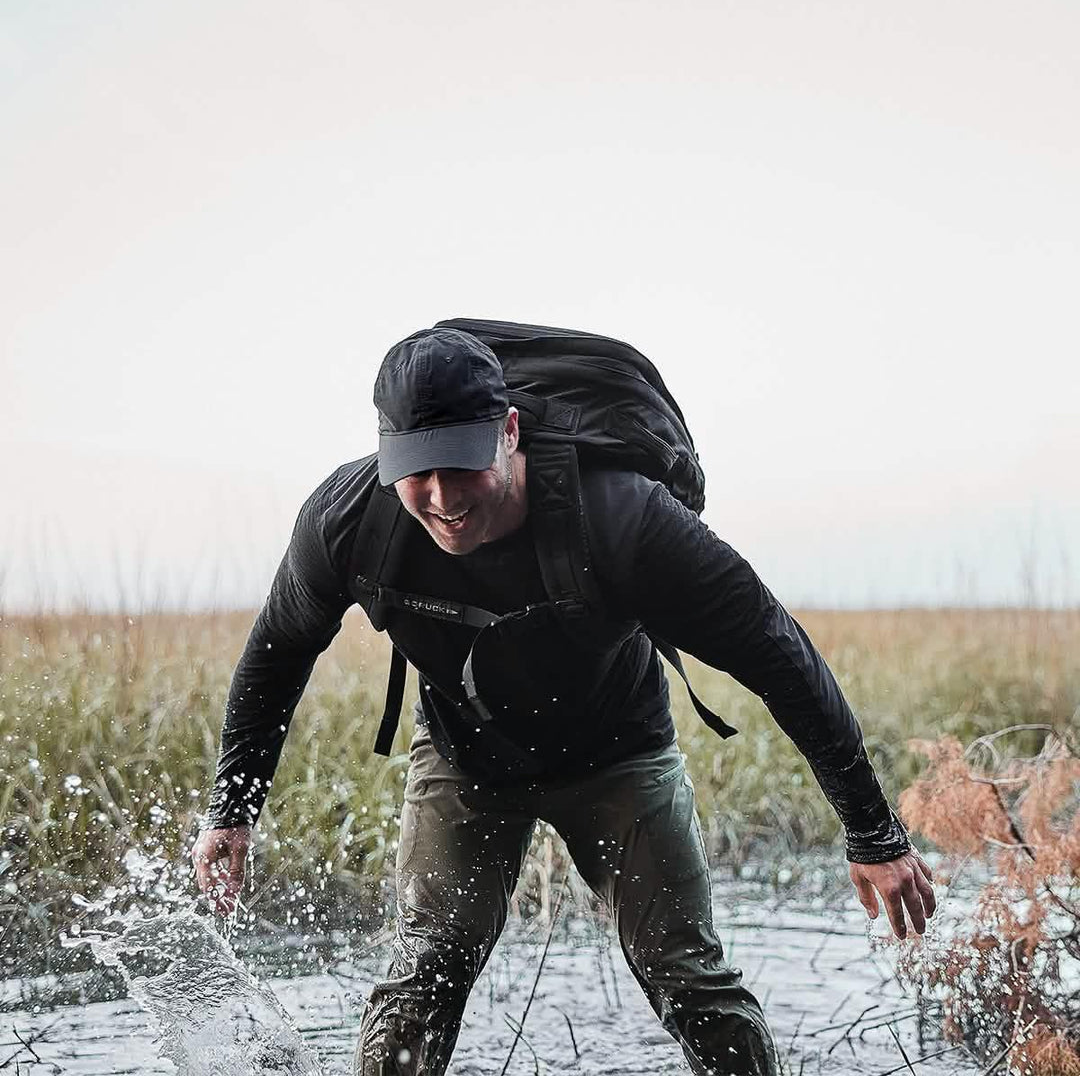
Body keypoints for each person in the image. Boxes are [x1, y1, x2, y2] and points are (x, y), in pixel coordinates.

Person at [192, 326, 936, 1076]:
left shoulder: (625, 519)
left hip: (620, 756)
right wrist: (232, 809)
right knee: (421, 982)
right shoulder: (347, 522)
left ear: (509, 431)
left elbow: (779, 654)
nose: (443, 499)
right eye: (417, 473)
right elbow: (277, 651)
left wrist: (873, 834)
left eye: (462, 466)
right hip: (465, 759)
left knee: (691, 983)